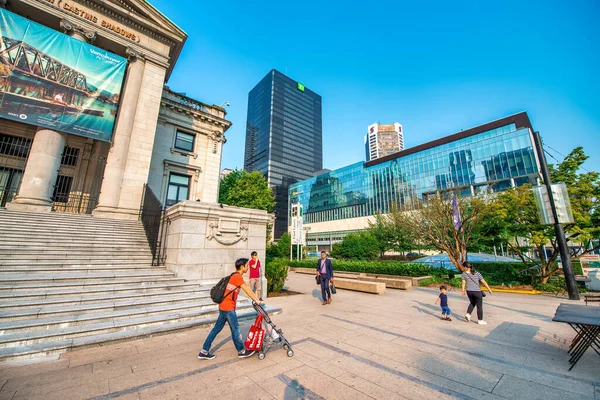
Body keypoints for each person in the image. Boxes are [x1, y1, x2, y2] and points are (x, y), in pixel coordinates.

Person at [198, 258, 262, 360]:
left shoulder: (233, 275)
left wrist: (255, 298)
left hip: (223, 307)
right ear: (242, 267)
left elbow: (247, 289)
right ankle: (241, 351)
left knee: (216, 329)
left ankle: (204, 351)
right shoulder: (237, 277)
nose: (248, 268)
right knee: (235, 330)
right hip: (228, 308)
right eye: (247, 266)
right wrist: (256, 299)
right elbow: (247, 290)